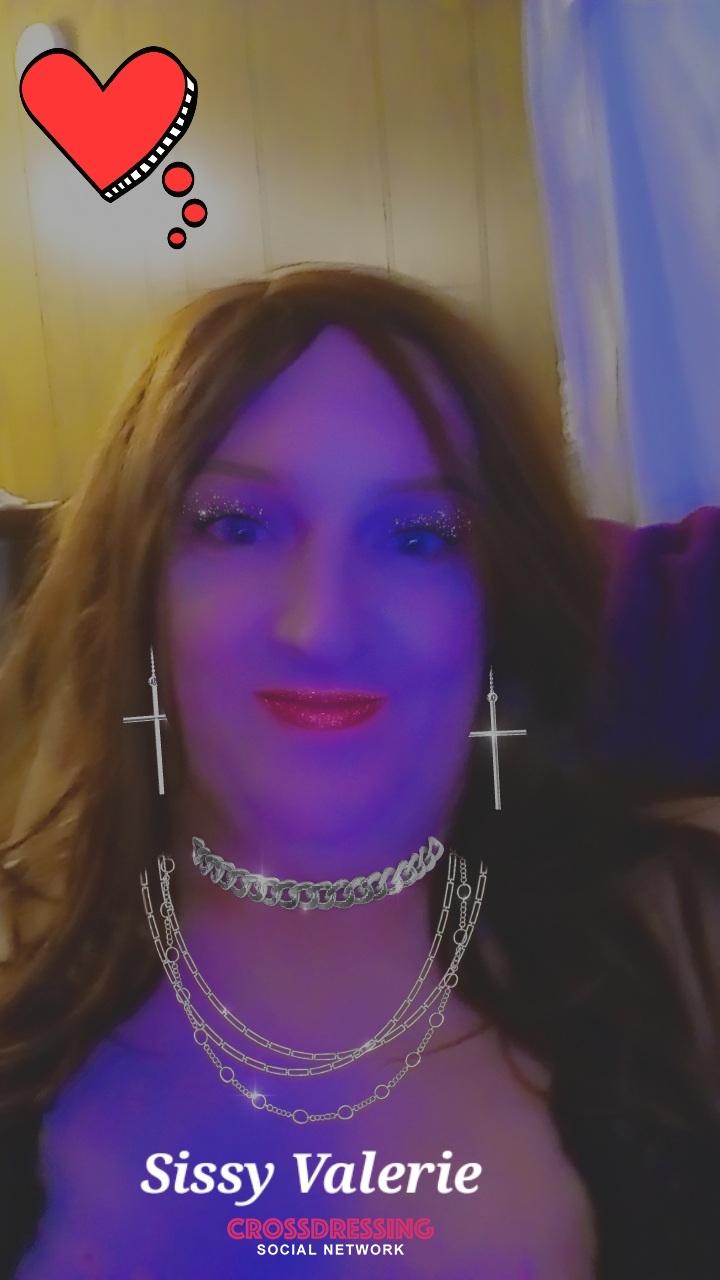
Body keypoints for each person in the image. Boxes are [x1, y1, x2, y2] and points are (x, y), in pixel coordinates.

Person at [0, 265, 718, 1279]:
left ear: (502, 602)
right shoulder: (22, 986)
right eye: (236, 526)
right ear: (133, 589)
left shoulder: (681, 948)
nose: (321, 624)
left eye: (419, 537)